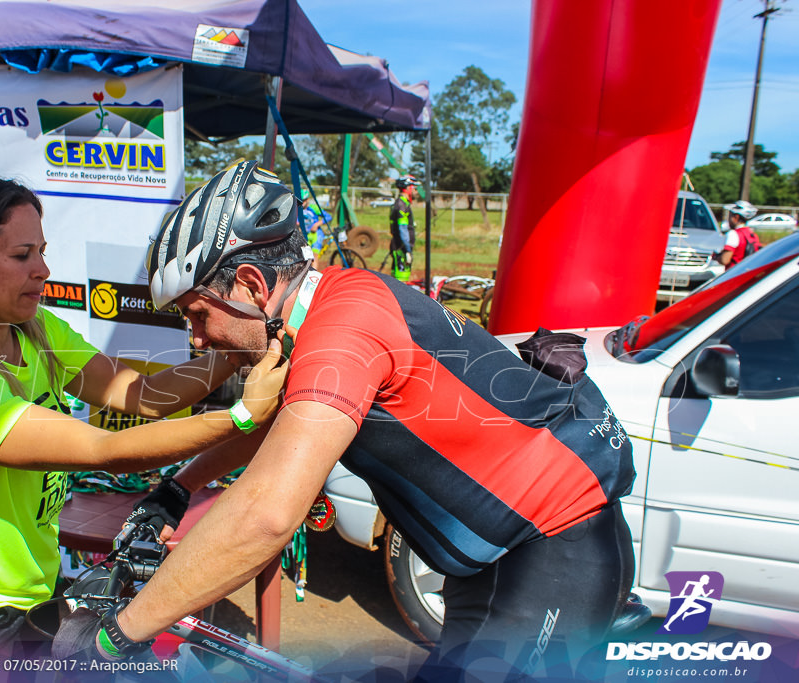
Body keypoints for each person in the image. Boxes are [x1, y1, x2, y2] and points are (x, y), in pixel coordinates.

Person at [104, 161, 637, 679]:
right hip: (493, 559)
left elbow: (266, 516)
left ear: (251, 284)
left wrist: (121, 632)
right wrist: (180, 487)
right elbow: (285, 429)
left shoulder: (343, 332)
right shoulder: (322, 309)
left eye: (198, 314)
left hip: (553, 548)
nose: (196, 339)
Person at [0, 175, 287, 664]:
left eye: (41, 250)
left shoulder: (35, 331)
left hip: (29, 589)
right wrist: (244, 416)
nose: (42, 269)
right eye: (21, 255)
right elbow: (106, 451)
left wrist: (238, 340)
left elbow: (143, 395)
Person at [389, 174, 419, 281]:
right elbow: (402, 229)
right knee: (400, 281)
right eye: (414, 188)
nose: (416, 192)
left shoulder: (402, 203)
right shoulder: (401, 206)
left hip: (400, 248)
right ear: (407, 188)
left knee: (398, 279)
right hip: (401, 249)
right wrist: (407, 250)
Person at [718, 200, 761, 269]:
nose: (728, 219)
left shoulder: (733, 234)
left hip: (733, 274)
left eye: (730, 216)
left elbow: (724, 260)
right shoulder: (752, 234)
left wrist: (717, 257)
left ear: (736, 217)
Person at [299, 187, 330, 268]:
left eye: (304, 200)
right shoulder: (298, 209)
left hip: (316, 234)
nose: (302, 203)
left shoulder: (313, 208)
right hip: (305, 235)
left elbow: (328, 217)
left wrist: (317, 224)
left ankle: (315, 275)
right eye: (300, 201)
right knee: (305, 257)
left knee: (314, 256)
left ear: (308, 199)